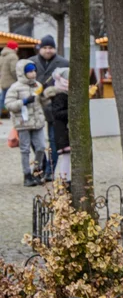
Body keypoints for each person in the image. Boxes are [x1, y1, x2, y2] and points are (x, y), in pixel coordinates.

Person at [32, 35, 68, 181]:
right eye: (45, 47)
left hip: (55, 106)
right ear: (40, 48)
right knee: (37, 141)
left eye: (50, 48)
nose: (48, 50)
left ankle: (50, 171)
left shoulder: (64, 63)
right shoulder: (31, 62)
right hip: (36, 106)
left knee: (54, 139)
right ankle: (42, 164)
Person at [6, 60, 47, 186]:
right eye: (29, 71)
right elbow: (8, 104)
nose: (33, 73)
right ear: (22, 73)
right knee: (25, 150)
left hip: (37, 122)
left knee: (40, 147)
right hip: (23, 123)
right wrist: (23, 102)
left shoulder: (37, 85)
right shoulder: (15, 88)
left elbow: (43, 102)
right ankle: (27, 175)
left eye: (34, 71)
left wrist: (46, 95)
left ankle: (37, 171)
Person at [43, 67, 72, 183]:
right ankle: (65, 180)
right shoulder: (60, 95)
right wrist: (72, 112)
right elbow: (57, 113)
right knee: (66, 156)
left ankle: (67, 179)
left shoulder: (66, 93)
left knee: (68, 156)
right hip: (62, 130)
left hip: (65, 129)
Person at [1, 40, 18, 114]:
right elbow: (14, 70)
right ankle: (12, 115)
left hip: (3, 81)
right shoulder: (13, 56)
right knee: (11, 100)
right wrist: (18, 79)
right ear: (15, 48)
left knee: (2, 99)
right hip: (11, 82)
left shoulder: (2, 56)